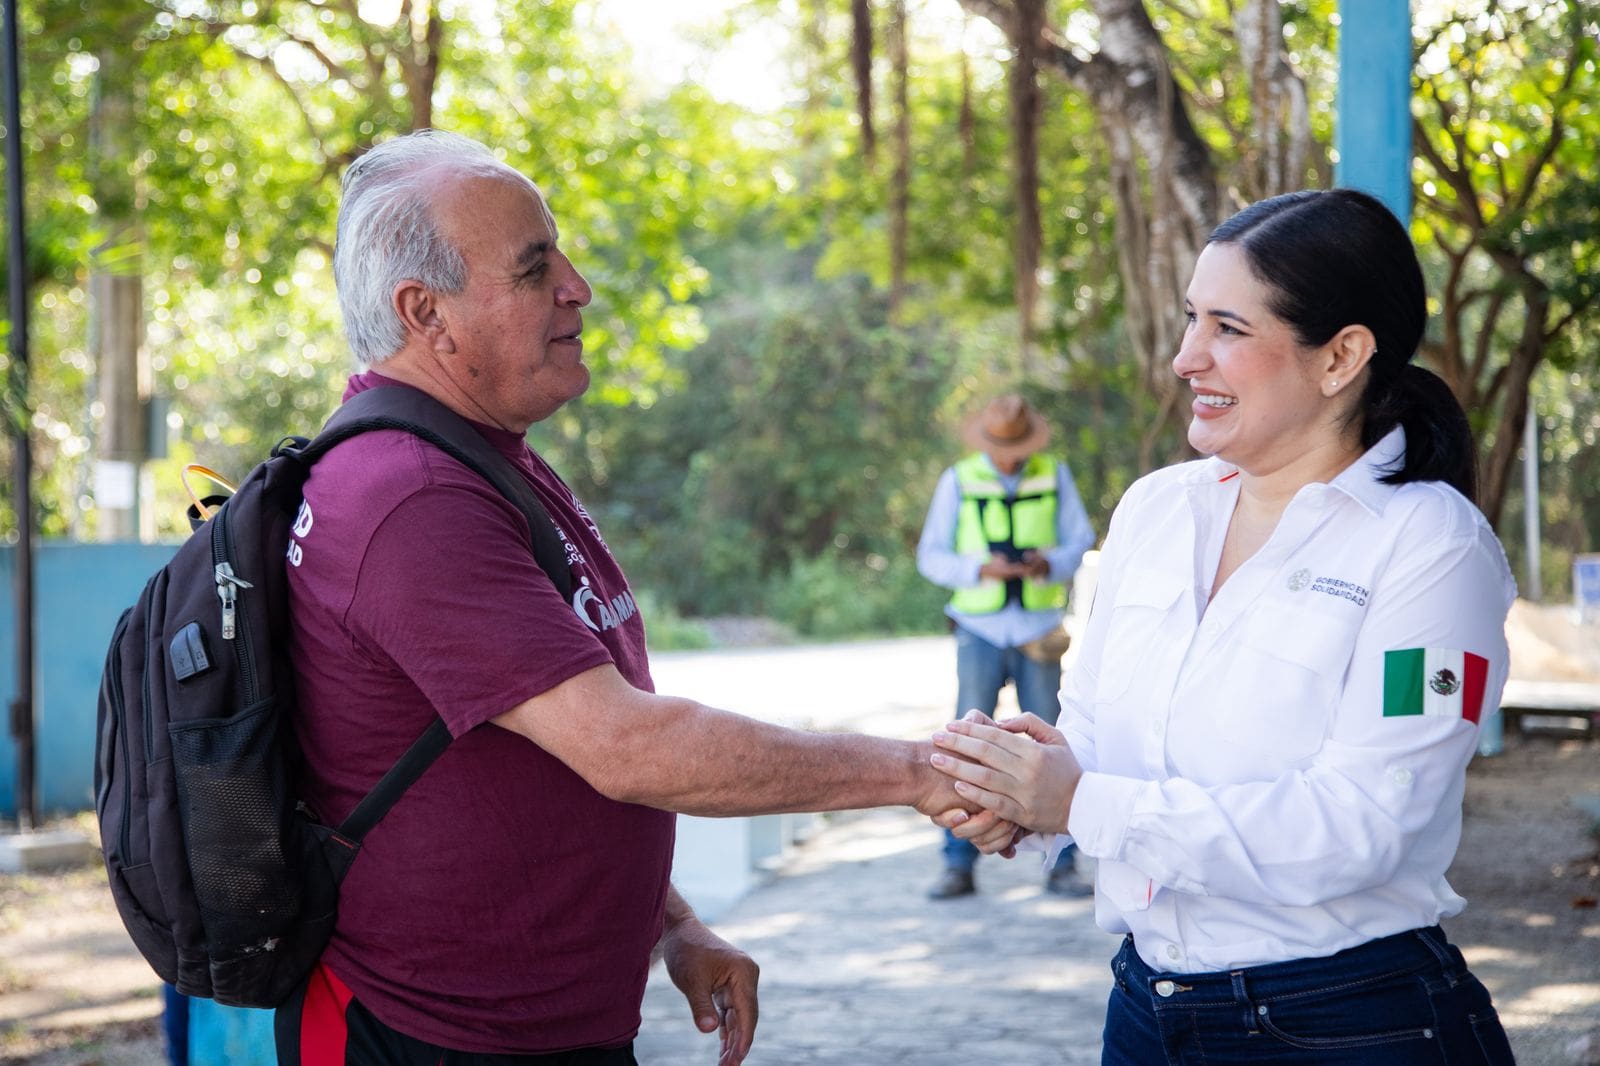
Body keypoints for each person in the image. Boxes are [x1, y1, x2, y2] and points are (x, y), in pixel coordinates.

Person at [281, 129, 1011, 1066]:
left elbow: (540, 753)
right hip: (441, 1036)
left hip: (546, 1027)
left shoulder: (483, 458)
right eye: (535, 266)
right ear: (426, 312)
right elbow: (628, 746)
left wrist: (672, 924)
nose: (577, 286)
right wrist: (922, 772)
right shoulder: (411, 497)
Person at [928, 188, 1518, 1064]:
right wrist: (1026, 793)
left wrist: (1080, 803)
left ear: (1341, 356)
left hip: (1351, 1021)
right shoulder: (1157, 510)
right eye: (1191, 319)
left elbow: (1365, 824)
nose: (1184, 358)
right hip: (1147, 1010)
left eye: (1228, 329)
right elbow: (1093, 731)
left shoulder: (1431, 545)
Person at [916, 393, 1096, 899]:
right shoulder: (958, 478)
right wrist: (979, 569)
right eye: (1001, 446)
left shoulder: (1053, 474)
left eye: (1017, 446)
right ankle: (957, 865)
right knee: (962, 746)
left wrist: (1049, 563)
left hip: (1038, 626)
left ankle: (1061, 864)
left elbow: (1078, 538)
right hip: (980, 627)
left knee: (1056, 743)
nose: (1009, 456)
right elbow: (931, 556)